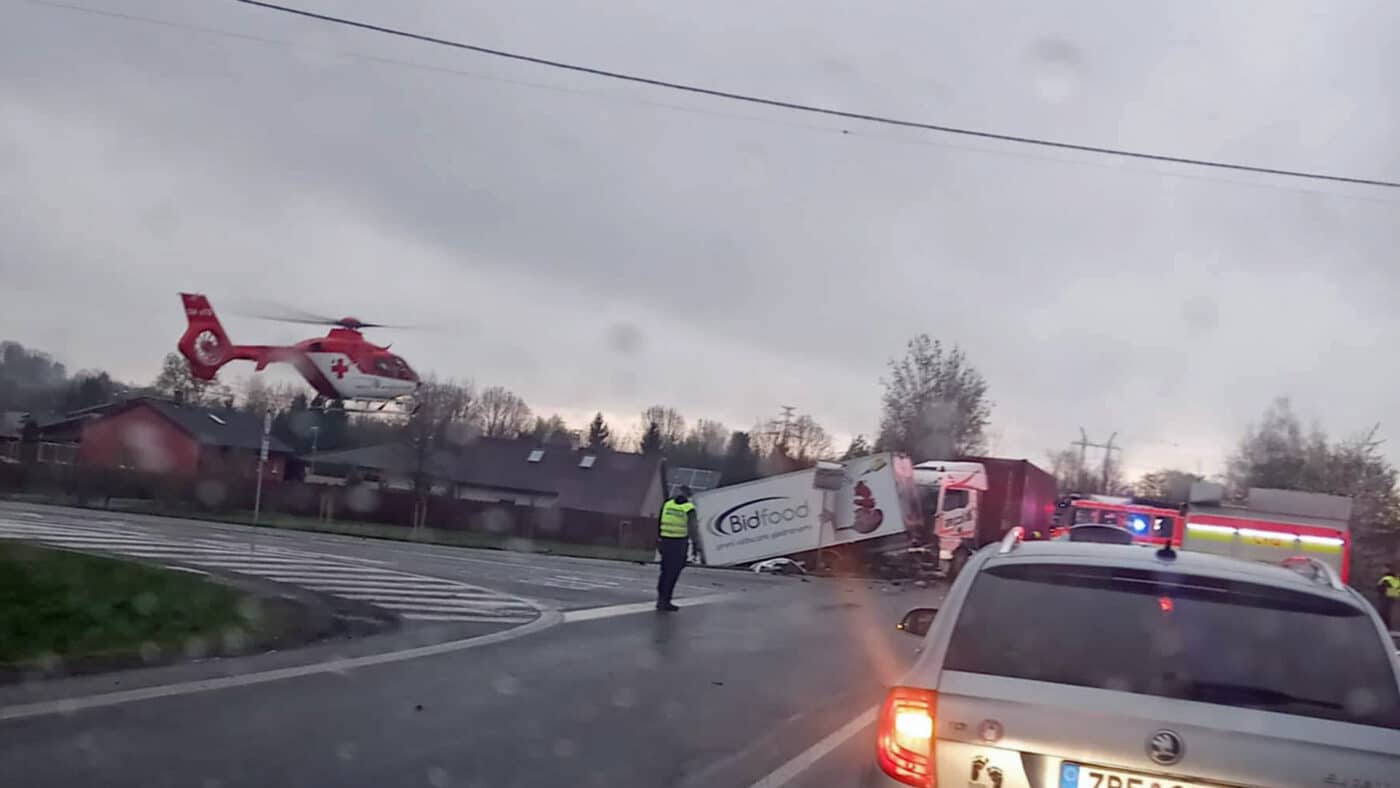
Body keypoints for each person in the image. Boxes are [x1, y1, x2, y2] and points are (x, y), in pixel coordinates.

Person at [656, 485, 697, 612]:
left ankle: (661, 599)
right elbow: (693, 529)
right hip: (679, 544)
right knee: (673, 573)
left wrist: (659, 540)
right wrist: (696, 546)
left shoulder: (667, 504)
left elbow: (659, 522)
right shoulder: (689, 508)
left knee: (665, 571)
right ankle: (665, 601)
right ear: (688, 495)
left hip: (665, 542)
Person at [1377, 564, 1400, 630]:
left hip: (1388, 600)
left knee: (1386, 614)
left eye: (1384, 568)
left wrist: (1385, 592)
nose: (1382, 570)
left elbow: (1396, 590)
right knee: (1384, 614)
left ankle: (1386, 628)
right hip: (1386, 599)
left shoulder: (1390, 578)